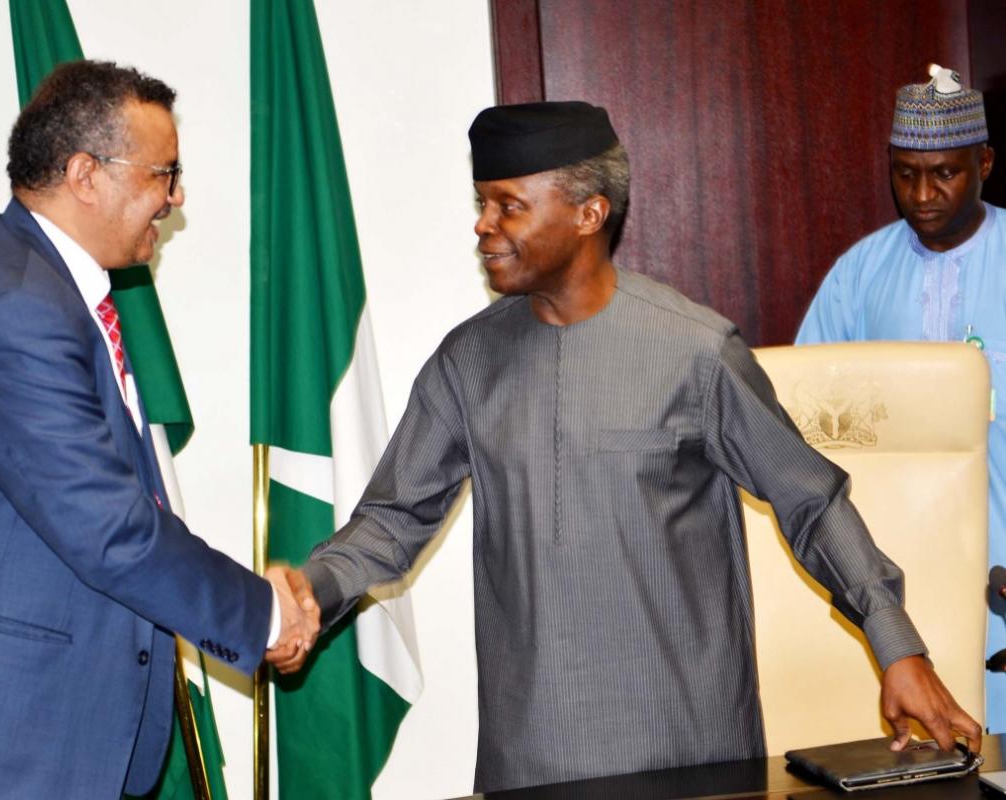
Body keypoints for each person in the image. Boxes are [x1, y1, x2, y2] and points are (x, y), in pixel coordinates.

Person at [270, 101, 981, 793]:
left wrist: (897, 645)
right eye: (481, 204)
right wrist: (313, 590)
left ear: (588, 213)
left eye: (507, 205)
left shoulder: (696, 351)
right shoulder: (468, 362)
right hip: (533, 759)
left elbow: (811, 503)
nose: (483, 227)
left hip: (688, 754)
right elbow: (392, 521)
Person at [0, 61, 316, 799]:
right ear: (85, 174)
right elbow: (108, 528)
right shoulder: (16, 308)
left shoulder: (46, 291)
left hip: (26, 734)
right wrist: (260, 613)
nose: (174, 200)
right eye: (163, 175)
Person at [796, 65, 1003, 729]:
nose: (922, 193)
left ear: (985, 163)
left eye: (944, 172)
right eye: (905, 173)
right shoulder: (858, 275)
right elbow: (803, 431)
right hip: (900, 568)